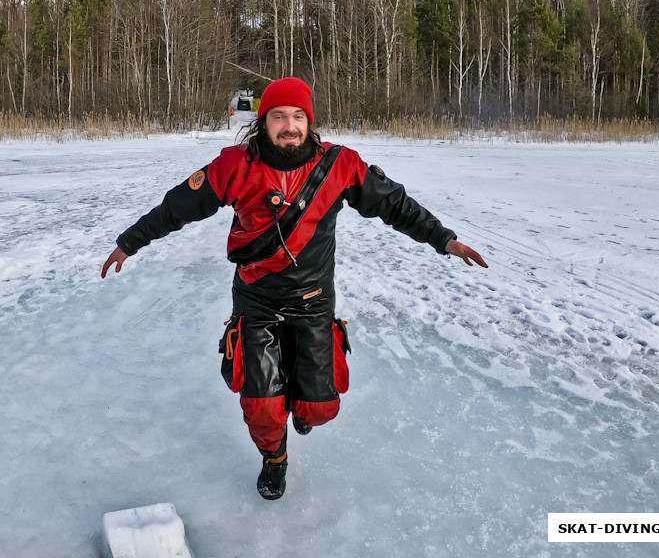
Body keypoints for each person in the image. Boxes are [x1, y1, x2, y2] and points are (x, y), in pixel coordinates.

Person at [102, 77, 487, 500]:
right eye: (279, 116)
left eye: (298, 117)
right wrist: (129, 242)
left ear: (310, 121)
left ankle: (304, 401)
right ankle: (274, 459)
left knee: (318, 409)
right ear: (263, 121)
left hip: (313, 302)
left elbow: (394, 204)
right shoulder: (235, 165)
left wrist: (442, 238)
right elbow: (177, 206)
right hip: (257, 302)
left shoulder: (340, 165)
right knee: (264, 410)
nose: (289, 126)